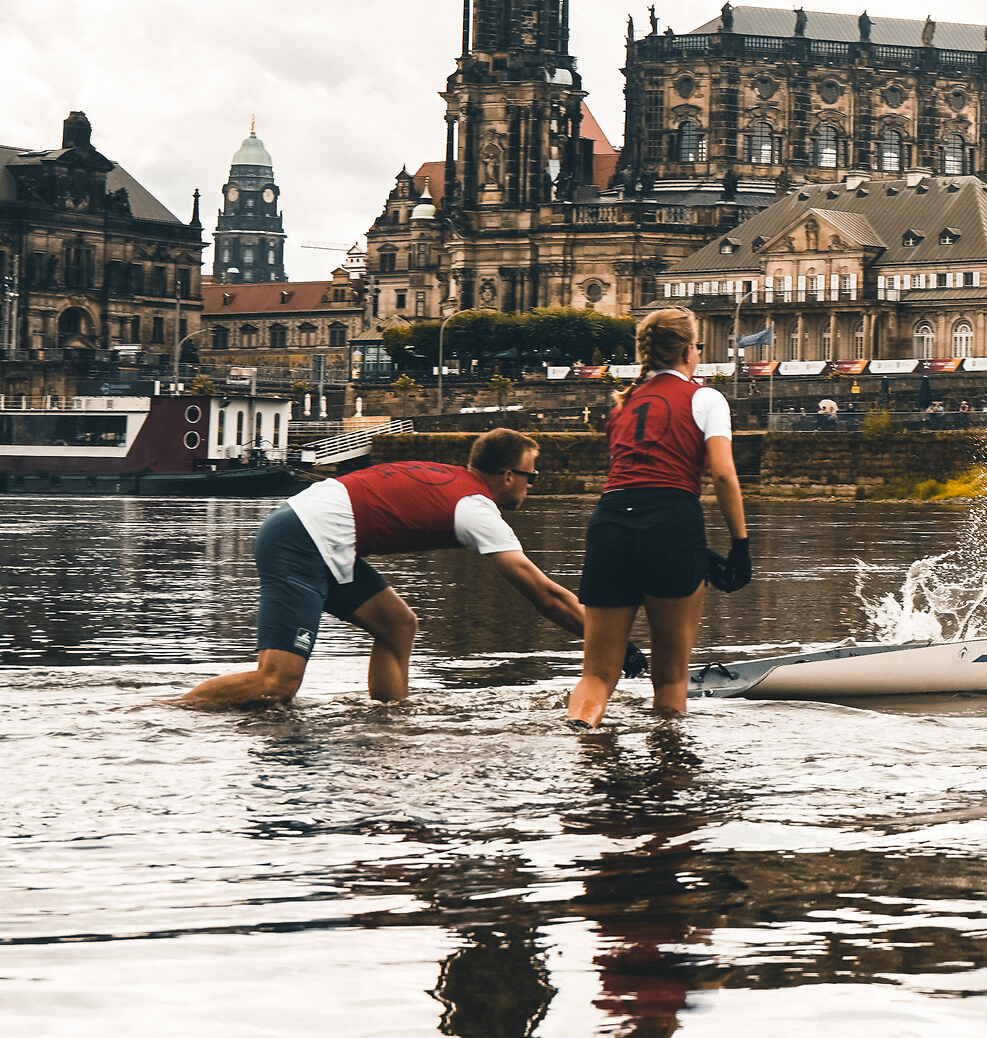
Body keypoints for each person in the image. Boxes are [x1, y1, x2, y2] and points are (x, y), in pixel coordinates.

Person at [169, 429, 588, 708]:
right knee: (278, 683)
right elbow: (543, 593)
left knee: (398, 625)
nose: (533, 486)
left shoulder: (458, 484)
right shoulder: (475, 509)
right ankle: (166, 710)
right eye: (532, 477)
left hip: (316, 532)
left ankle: (387, 720)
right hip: (299, 539)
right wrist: (605, 643)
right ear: (509, 475)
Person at [568, 307, 750, 725]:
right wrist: (740, 545)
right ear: (690, 350)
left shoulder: (623, 404)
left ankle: (579, 746)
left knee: (596, 673)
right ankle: (668, 776)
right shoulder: (705, 398)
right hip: (671, 520)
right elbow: (722, 475)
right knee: (669, 679)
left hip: (610, 523)